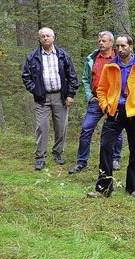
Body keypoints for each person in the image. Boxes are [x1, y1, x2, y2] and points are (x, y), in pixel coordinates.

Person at [87, 35, 135, 198]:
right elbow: (101, 90)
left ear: (131, 47)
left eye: (123, 46)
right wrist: (105, 106)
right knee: (105, 146)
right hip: (115, 112)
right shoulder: (109, 67)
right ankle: (104, 189)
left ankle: (133, 188)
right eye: (118, 46)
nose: (120, 49)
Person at [22, 27, 79, 171]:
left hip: (60, 96)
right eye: (42, 36)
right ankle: (40, 157)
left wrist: (70, 94)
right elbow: (26, 76)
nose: (45, 38)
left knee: (61, 127)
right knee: (42, 127)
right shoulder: (33, 56)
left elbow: (72, 75)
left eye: (48, 36)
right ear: (40, 39)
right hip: (42, 98)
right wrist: (35, 90)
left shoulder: (63, 55)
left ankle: (58, 152)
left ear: (53, 38)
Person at [69, 31, 123, 174]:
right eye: (99, 41)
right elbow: (86, 79)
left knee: (116, 131)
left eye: (104, 41)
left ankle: (115, 159)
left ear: (111, 43)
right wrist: (89, 96)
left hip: (114, 101)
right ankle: (82, 162)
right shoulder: (92, 59)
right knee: (86, 128)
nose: (101, 43)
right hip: (96, 100)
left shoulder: (118, 58)